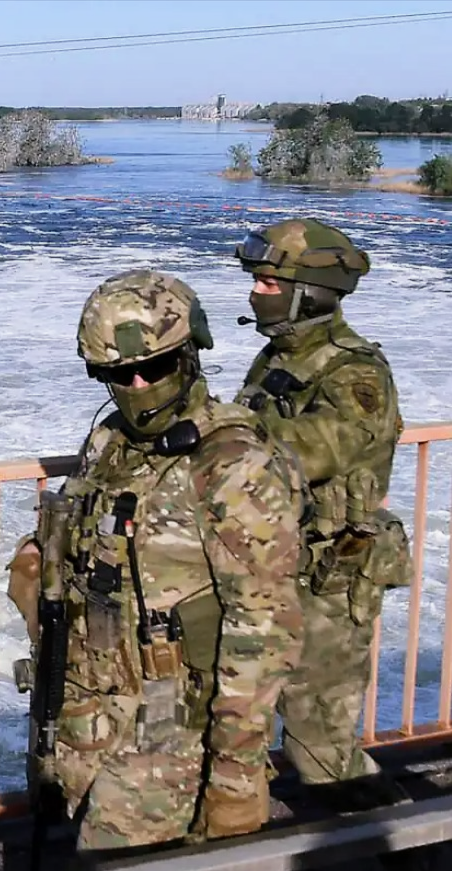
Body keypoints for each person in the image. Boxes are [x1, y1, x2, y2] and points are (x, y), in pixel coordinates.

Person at [7, 268, 305, 857]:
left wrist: (236, 777)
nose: (138, 382)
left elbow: (263, 630)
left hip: (173, 733)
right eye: (118, 374)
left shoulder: (231, 462)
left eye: (156, 367)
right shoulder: (111, 443)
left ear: (191, 352)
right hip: (91, 712)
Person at [233, 218, 414, 811]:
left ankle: (401, 843)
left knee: (320, 746)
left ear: (309, 291)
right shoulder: (277, 357)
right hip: (273, 567)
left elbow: (316, 448)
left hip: (332, 578)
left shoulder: (354, 371)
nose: (256, 293)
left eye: (267, 283)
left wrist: (221, 436)